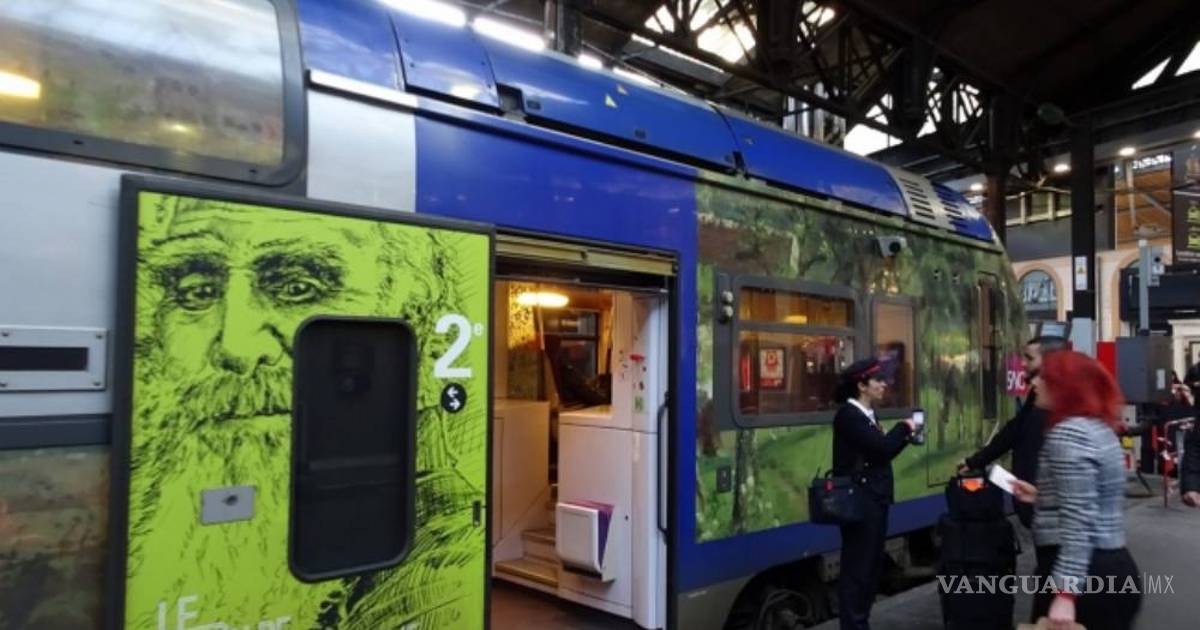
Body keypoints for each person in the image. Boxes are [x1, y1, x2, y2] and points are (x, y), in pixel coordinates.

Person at [1012, 351, 1142, 630]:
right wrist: (1042, 496)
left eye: (1044, 378)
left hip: (1083, 575)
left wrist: (1065, 594)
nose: (1034, 384)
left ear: (1064, 387)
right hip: (1112, 563)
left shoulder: (1068, 434)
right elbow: (1096, 496)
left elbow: (1078, 519)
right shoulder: (1100, 429)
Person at [831, 358, 921, 630]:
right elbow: (881, 448)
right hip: (860, 505)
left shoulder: (866, 415)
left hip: (873, 501)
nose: (884, 384)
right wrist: (904, 427)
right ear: (862, 386)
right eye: (878, 380)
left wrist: (906, 437)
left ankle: (861, 622)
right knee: (858, 570)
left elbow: (881, 453)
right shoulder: (849, 416)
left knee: (869, 569)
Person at [957, 335, 1069, 528]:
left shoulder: (1070, 423)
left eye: (1029, 358)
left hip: (1052, 520)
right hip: (1036, 509)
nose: (1022, 364)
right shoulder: (1036, 400)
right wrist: (976, 461)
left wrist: (1041, 498)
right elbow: (1014, 430)